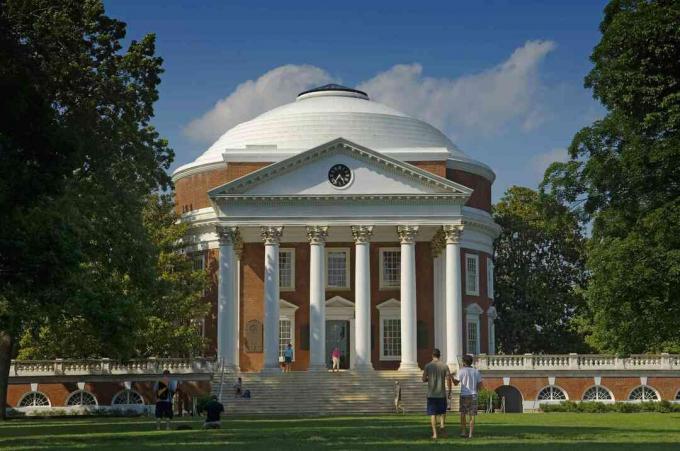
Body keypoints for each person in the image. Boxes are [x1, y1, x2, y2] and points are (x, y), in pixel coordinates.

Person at [422, 348, 452, 440]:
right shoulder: (444, 366)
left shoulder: (428, 366)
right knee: (442, 412)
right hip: (441, 393)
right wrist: (450, 390)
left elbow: (423, 379)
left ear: (432, 355)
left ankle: (435, 434)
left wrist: (429, 379)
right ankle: (442, 425)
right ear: (439, 355)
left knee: (433, 414)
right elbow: (448, 379)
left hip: (431, 394)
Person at [453, 354, 483, 439]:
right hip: (473, 395)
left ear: (464, 362)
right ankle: (470, 434)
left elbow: (456, 383)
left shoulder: (461, 371)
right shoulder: (476, 371)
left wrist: (452, 377)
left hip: (464, 395)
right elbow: (480, 386)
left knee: (463, 414)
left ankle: (463, 431)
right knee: (472, 415)